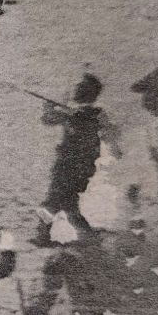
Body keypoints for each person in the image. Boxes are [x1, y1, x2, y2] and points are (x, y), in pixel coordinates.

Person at [41, 73, 114, 232]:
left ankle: (43, 234)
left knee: (54, 201)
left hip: (67, 166)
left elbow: (47, 119)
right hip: (83, 167)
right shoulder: (97, 114)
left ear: (84, 93)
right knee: (69, 204)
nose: (76, 89)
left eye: (79, 87)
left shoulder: (72, 115)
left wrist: (48, 108)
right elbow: (109, 134)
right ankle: (85, 234)